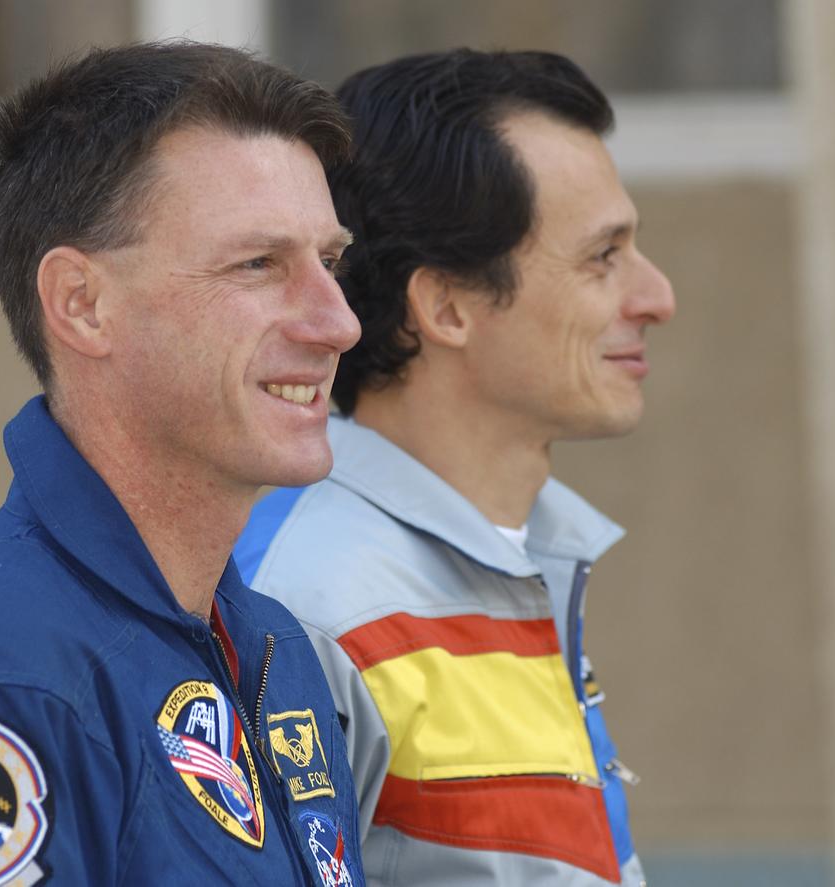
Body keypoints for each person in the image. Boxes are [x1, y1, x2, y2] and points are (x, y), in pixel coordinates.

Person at [0, 42, 367, 886]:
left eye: (331, 262)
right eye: (259, 264)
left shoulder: (272, 650)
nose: (339, 322)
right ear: (81, 304)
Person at [234, 49, 676, 886]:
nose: (657, 296)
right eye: (602, 257)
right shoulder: (307, 606)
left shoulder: (521, 552)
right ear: (444, 306)